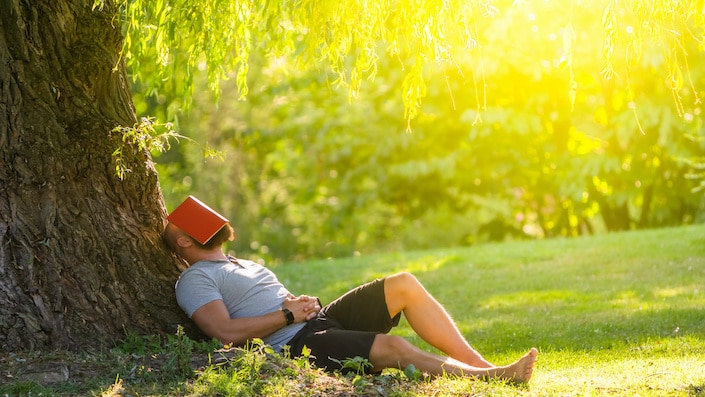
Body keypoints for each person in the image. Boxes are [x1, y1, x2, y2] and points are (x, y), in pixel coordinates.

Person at [164, 197, 538, 383]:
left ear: (183, 240)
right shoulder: (195, 279)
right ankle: (494, 377)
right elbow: (224, 333)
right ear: (184, 244)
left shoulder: (236, 263)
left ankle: (479, 363)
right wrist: (288, 314)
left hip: (318, 320)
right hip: (297, 345)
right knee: (393, 348)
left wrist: (301, 306)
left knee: (404, 284)